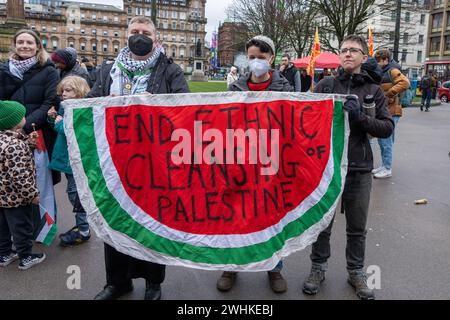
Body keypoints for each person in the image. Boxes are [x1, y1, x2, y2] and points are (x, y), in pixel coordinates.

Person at [88, 16, 189, 301]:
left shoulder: (170, 70)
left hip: (155, 161)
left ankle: (153, 283)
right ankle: (117, 281)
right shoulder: (107, 70)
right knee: (114, 219)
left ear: (156, 40)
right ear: (126, 36)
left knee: (154, 221)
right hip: (114, 161)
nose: (139, 36)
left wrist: (152, 105)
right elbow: (91, 103)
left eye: (145, 32)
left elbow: (185, 107)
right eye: (135, 32)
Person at [302, 35, 394, 300]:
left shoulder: (373, 90)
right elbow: (306, 121)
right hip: (328, 168)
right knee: (323, 223)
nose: (348, 54)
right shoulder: (326, 84)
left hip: (360, 167)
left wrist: (360, 118)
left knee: (357, 226)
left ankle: (356, 271)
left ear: (364, 57)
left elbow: (386, 128)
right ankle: (317, 268)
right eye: (344, 50)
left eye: (354, 50)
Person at [219, 35, 293, 294]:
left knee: (271, 216)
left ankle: (274, 267)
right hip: (239, 161)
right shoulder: (235, 89)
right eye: (251, 57)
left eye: (261, 58)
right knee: (236, 215)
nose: (256, 62)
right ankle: (232, 265)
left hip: (271, 164)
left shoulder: (285, 89)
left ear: (271, 59)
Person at [0, 29, 60, 184]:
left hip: (38, 133)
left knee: (39, 183)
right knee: (11, 182)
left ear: (38, 46)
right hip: (7, 137)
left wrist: (24, 126)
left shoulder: (49, 70)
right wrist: (10, 126)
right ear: (14, 45)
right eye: (20, 42)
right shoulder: (4, 70)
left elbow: (50, 102)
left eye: (29, 42)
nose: (24, 46)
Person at [0, 100, 46, 270]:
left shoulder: (7, 140)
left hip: (2, 195)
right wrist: (32, 194)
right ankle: (26, 257)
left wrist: (28, 143)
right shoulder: (15, 145)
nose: (25, 117)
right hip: (16, 197)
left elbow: (9, 160)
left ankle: (4, 254)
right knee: (22, 227)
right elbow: (19, 175)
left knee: (3, 227)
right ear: (14, 122)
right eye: (22, 116)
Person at [47, 76, 91, 246]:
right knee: (74, 194)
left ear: (79, 91)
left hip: (75, 161)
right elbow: (60, 129)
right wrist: (53, 118)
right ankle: (81, 225)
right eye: (63, 90)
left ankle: (84, 230)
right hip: (67, 159)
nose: (63, 94)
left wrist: (58, 123)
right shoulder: (65, 107)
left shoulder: (82, 108)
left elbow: (76, 133)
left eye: (68, 90)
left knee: (77, 195)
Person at [373, 49, 410, 179]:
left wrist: (388, 94)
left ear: (386, 60)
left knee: (385, 139)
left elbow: (405, 83)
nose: (377, 63)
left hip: (392, 110)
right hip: (388, 109)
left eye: (379, 61)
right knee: (384, 138)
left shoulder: (392, 70)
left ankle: (387, 168)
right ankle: (384, 165)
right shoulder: (384, 71)